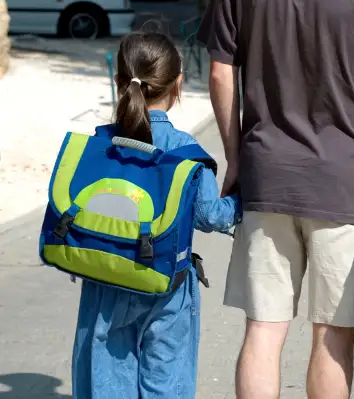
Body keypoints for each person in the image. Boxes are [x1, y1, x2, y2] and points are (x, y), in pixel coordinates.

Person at [198, 0, 354, 397]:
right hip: (343, 181)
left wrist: (235, 158)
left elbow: (220, 73)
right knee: (332, 331)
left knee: (263, 327)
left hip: (265, 176)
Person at [71, 31, 242, 398]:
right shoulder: (185, 150)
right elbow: (210, 216)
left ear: (119, 81)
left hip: (107, 279)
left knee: (108, 378)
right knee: (167, 379)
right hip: (168, 285)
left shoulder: (101, 144)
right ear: (177, 84)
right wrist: (240, 204)